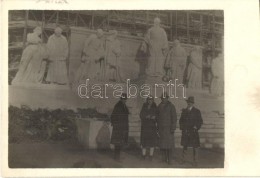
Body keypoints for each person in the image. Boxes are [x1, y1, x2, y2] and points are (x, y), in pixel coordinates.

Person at [179, 96, 203, 167]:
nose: (189, 103)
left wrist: (197, 126)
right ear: (187, 103)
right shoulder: (184, 111)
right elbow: (181, 121)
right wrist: (182, 128)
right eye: (188, 102)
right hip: (186, 131)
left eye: (191, 102)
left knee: (195, 147)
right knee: (185, 146)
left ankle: (195, 161)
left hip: (193, 132)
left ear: (193, 103)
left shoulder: (197, 111)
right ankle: (183, 160)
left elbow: (200, 121)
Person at [157, 92, 177, 164]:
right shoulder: (159, 106)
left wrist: (173, 128)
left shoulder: (171, 106)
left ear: (167, 98)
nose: (163, 99)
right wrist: (157, 128)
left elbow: (174, 118)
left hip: (169, 129)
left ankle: (170, 160)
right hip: (161, 129)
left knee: (169, 146)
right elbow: (157, 118)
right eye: (162, 98)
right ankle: (163, 159)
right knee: (162, 145)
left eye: (165, 98)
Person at [110, 93, 130, 161]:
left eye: (125, 99)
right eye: (123, 99)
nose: (124, 100)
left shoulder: (124, 105)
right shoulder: (118, 105)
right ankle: (117, 157)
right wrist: (115, 123)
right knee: (117, 143)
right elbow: (113, 115)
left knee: (119, 142)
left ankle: (117, 157)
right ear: (121, 99)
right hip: (119, 127)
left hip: (123, 127)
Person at [139, 95, 158, 161]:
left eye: (151, 100)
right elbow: (141, 115)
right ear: (147, 100)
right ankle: (143, 155)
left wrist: (155, 117)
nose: (150, 101)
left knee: (152, 142)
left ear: (153, 100)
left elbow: (158, 116)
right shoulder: (144, 106)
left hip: (152, 127)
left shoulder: (155, 106)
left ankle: (151, 155)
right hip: (145, 126)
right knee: (144, 142)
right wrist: (146, 116)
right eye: (149, 100)